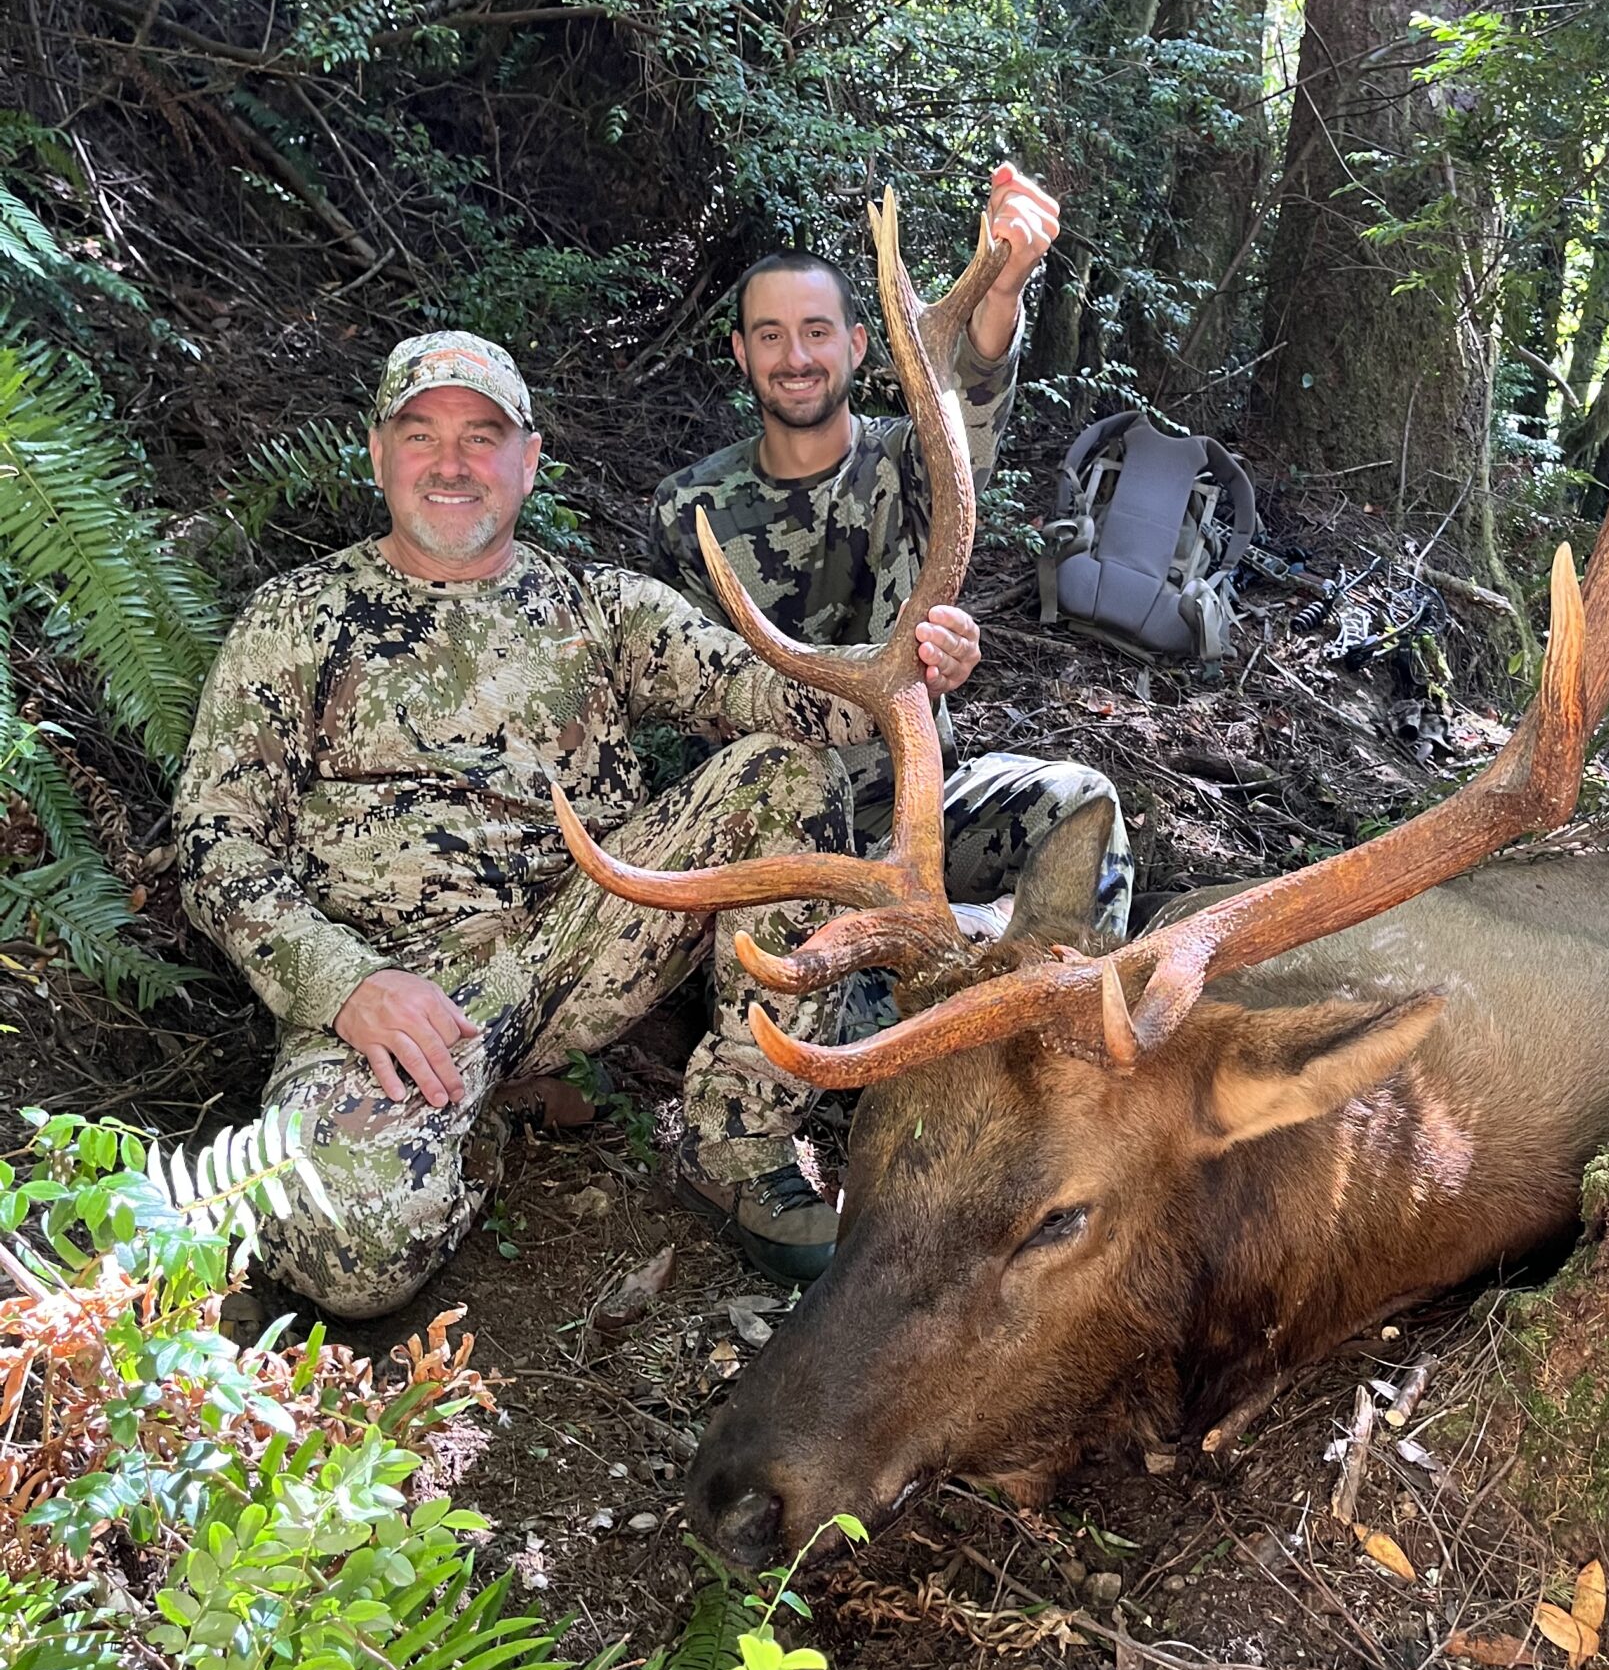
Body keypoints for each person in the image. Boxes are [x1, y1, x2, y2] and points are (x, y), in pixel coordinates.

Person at [175, 331, 980, 1309]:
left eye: (482, 436)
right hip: (395, 1005)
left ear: (530, 460)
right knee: (337, 1243)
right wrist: (345, 982)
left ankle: (738, 1139)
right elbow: (217, 837)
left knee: (783, 777)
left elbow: (776, 695)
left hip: (584, 940)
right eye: (421, 434)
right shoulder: (292, 619)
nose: (452, 462)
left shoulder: (597, 608)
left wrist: (909, 670)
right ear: (379, 452)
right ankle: (490, 1118)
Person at [645, 166, 1133, 946]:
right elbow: (677, 693)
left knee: (1084, 808)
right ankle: (968, 945)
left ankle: (1017, 982)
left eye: (816, 331)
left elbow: (968, 413)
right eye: (769, 335)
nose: (794, 356)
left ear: (858, 344)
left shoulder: (912, 463)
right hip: (778, 821)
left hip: (915, 809)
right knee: (829, 978)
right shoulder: (686, 509)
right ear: (740, 352)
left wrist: (1000, 291)